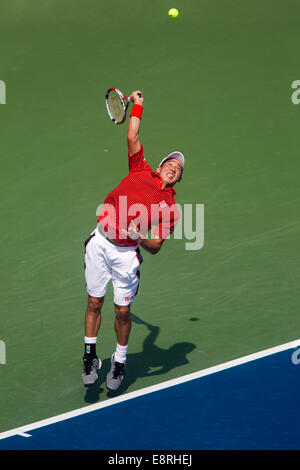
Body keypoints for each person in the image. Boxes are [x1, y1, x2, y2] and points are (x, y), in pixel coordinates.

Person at [82, 90, 185, 391]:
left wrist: (137, 235)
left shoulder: (171, 209)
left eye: (178, 170)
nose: (173, 167)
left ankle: (120, 361)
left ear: (178, 180)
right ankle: (89, 356)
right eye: (170, 163)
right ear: (160, 165)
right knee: (93, 301)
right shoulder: (139, 168)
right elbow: (132, 134)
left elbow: (154, 247)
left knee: (123, 312)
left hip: (127, 255)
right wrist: (138, 105)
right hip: (100, 243)